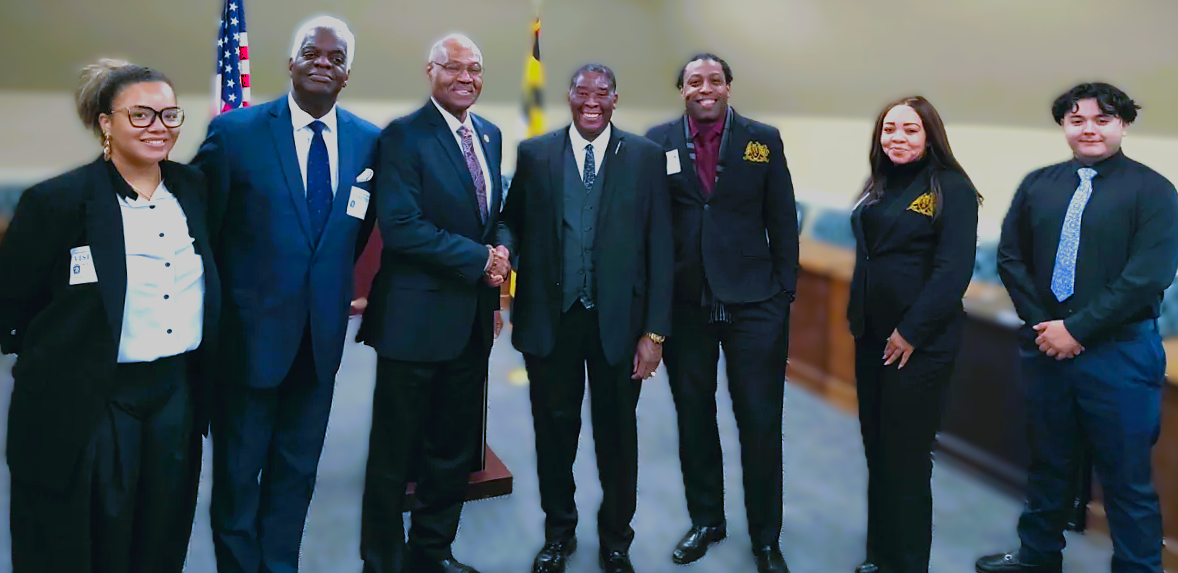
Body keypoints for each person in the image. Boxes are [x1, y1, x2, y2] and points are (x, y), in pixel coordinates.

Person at [0, 59, 219, 573]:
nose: (158, 128)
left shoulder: (196, 191)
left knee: (161, 528)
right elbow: (13, 303)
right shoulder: (57, 202)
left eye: (168, 116)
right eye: (140, 115)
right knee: (88, 534)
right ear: (106, 123)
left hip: (174, 395)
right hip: (93, 395)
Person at [192, 15, 380, 573]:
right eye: (312, 53)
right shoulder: (236, 134)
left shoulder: (370, 142)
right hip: (248, 344)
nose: (324, 63)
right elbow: (207, 232)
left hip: (320, 342)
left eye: (336, 58)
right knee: (237, 477)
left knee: (295, 475)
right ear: (291, 63)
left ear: (347, 74)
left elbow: (355, 235)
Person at [977, 83, 1178, 573]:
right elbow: (1010, 257)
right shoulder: (1038, 184)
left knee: (1125, 480)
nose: (1089, 129)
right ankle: (1038, 556)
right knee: (1048, 463)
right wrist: (1047, 326)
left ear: (1123, 124)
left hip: (1121, 355)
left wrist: (1078, 330)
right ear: (1064, 126)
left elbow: (1147, 277)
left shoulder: (1154, 191)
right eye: (1077, 120)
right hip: (1046, 349)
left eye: (1102, 119)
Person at [501, 63, 672, 573]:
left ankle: (616, 541)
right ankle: (559, 535)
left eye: (602, 93)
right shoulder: (536, 153)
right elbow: (511, 219)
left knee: (617, 436)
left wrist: (655, 332)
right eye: (582, 91)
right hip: (550, 323)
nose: (591, 101)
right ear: (569, 96)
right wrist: (500, 254)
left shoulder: (644, 157)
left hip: (621, 325)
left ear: (615, 100)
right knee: (555, 434)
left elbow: (661, 247)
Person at [356, 33, 510, 573]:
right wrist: (480, 260)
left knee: (451, 449)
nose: (466, 77)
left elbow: (496, 214)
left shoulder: (489, 135)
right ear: (431, 71)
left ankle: (432, 551)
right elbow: (401, 228)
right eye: (455, 67)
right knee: (395, 451)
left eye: (476, 69)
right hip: (413, 323)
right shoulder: (402, 136)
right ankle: (382, 559)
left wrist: (502, 250)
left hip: (469, 322)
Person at [644, 53, 797, 573]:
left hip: (755, 303)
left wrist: (783, 297)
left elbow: (783, 219)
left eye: (713, 80)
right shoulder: (657, 140)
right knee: (694, 417)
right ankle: (707, 519)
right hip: (687, 305)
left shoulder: (763, 138)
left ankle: (765, 537)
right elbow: (652, 224)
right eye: (693, 81)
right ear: (682, 89)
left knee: (759, 420)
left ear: (728, 86)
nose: (704, 88)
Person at [847, 96, 981, 573]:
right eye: (889, 129)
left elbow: (952, 272)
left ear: (930, 136)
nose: (897, 138)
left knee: (905, 458)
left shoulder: (951, 188)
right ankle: (879, 556)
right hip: (871, 336)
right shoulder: (879, 182)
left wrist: (909, 332)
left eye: (909, 129)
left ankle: (906, 563)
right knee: (878, 451)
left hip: (917, 344)